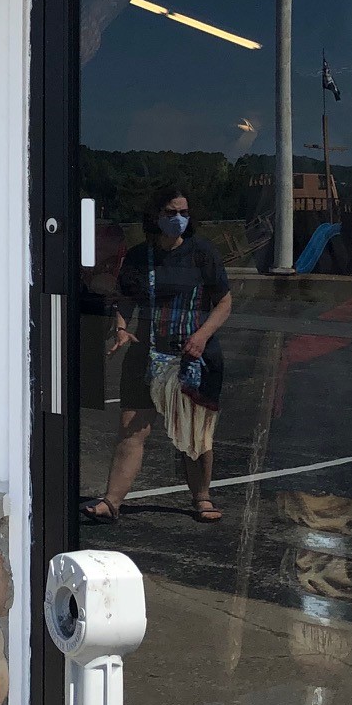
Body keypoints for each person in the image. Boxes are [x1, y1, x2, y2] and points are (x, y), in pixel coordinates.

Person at [84, 186, 233, 524]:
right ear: (155, 215)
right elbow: (124, 299)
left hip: (194, 357)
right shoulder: (139, 257)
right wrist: (121, 328)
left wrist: (201, 336)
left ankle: (202, 498)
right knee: (131, 429)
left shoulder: (203, 253)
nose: (177, 219)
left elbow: (224, 302)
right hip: (146, 355)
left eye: (183, 212)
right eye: (170, 212)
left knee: (194, 431)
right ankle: (112, 501)